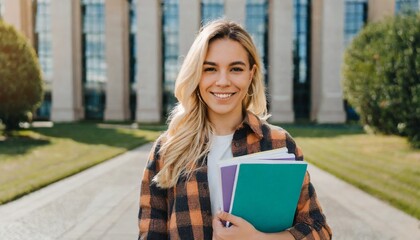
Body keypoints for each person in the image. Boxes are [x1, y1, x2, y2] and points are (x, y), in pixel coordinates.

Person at [138, 19, 332, 240]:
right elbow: (150, 234)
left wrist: (257, 238)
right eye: (210, 69)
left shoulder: (279, 144)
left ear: (251, 74)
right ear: (197, 75)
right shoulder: (167, 149)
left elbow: (319, 230)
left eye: (236, 69)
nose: (223, 81)